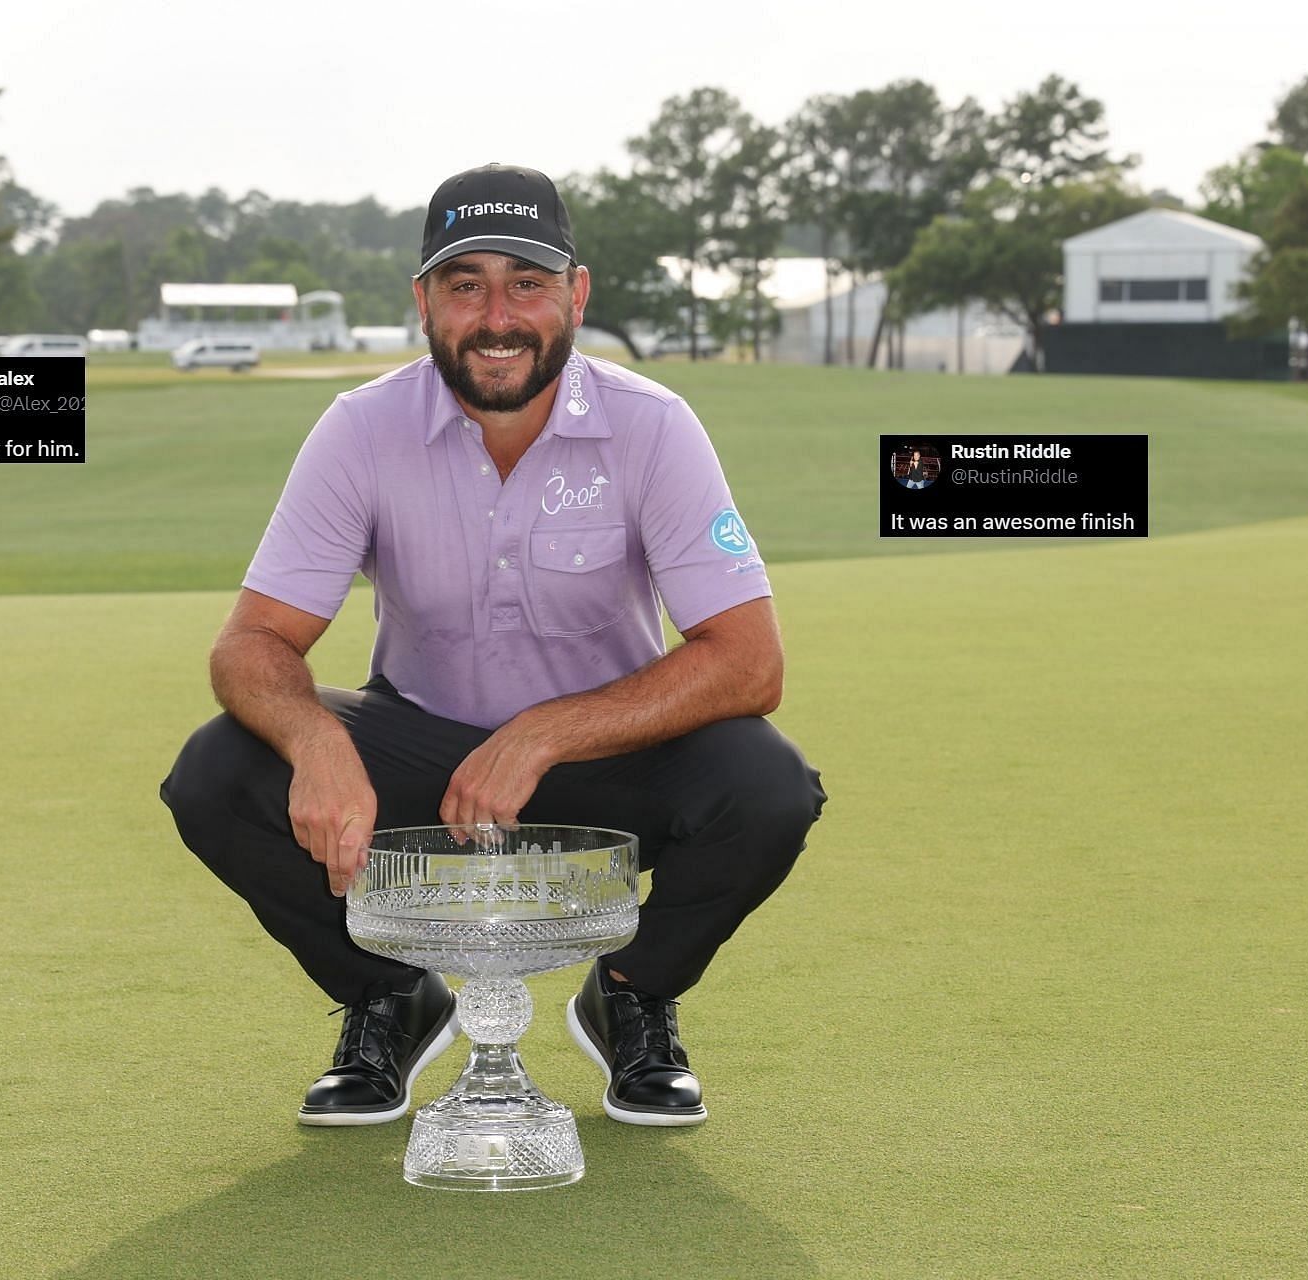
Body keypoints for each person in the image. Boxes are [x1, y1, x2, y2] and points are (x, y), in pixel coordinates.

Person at [160, 163, 826, 1129]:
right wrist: (317, 744)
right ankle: (387, 996)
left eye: (528, 283)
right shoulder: (359, 431)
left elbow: (749, 661)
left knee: (768, 787)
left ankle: (632, 993)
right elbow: (251, 645)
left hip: (611, 758)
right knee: (216, 770)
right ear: (423, 301)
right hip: (424, 749)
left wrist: (546, 733)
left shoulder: (655, 428)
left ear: (577, 295)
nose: (497, 314)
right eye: (465, 284)